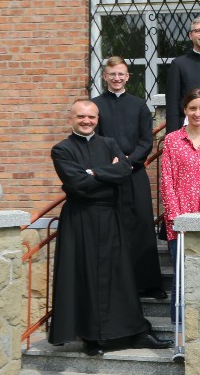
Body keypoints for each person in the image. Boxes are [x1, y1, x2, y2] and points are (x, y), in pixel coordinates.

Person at [49, 99, 172, 356]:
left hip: (110, 217)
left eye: (91, 117)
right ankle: (90, 337)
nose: (87, 121)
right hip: (79, 220)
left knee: (119, 276)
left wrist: (93, 173)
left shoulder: (108, 143)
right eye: (81, 117)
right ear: (71, 118)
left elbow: (125, 170)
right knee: (84, 276)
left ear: (97, 119)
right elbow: (77, 184)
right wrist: (106, 172)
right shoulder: (61, 150)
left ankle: (135, 333)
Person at [91, 56, 165, 300]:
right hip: (109, 178)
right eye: (112, 74)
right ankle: (117, 284)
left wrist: (129, 161)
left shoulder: (139, 105)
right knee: (113, 229)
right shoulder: (96, 106)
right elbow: (96, 140)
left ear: (127, 76)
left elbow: (147, 140)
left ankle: (149, 284)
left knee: (142, 225)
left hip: (135, 174)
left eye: (121, 74)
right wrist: (112, 163)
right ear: (105, 76)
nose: (117, 78)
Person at [160, 89, 200, 322]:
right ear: (185, 110)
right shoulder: (172, 140)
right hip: (180, 221)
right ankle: (180, 332)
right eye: (192, 108)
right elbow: (166, 181)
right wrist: (177, 219)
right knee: (181, 277)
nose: (197, 113)